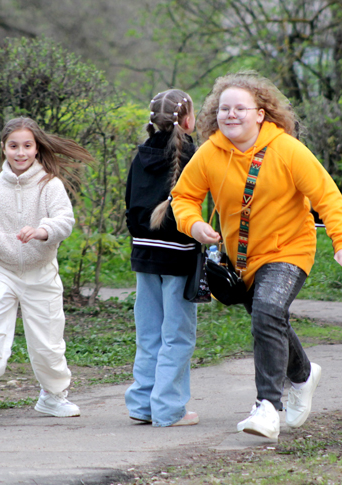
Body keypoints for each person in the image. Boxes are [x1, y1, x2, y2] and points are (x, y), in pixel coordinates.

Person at [170, 72, 342, 440]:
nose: (231, 115)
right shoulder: (210, 151)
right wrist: (193, 225)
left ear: (261, 113)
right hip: (241, 260)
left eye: (240, 108)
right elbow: (183, 197)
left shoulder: (288, 150)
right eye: (224, 108)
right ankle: (303, 375)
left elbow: (327, 198)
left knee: (268, 311)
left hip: (289, 249)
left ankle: (268, 407)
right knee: (267, 318)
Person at [0, 117, 93, 422]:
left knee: (48, 339)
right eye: (13, 146)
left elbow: (65, 221)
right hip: (1, 270)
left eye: (27, 145)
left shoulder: (50, 185)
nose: (20, 152)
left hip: (41, 271)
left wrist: (42, 230)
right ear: (3, 148)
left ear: (37, 148)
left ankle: (53, 397)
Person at [124, 89, 201, 427]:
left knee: (149, 333)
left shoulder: (140, 155)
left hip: (144, 255)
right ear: (188, 120)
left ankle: (142, 405)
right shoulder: (195, 156)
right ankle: (169, 409)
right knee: (177, 335)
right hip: (179, 255)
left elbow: (129, 203)